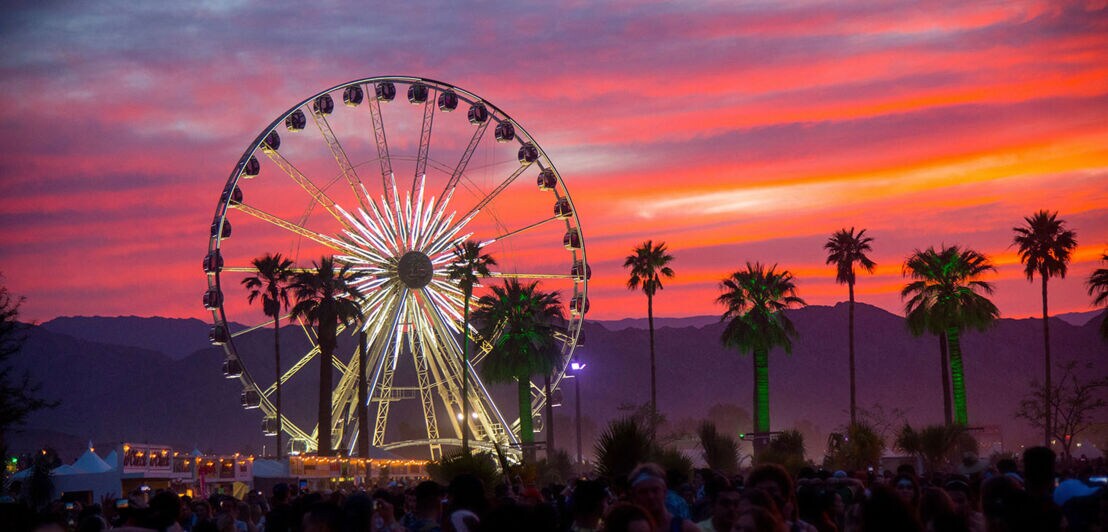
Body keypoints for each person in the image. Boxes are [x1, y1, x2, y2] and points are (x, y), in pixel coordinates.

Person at [627, 463, 698, 532]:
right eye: (643, 492)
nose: (650, 496)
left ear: (665, 491)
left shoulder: (686, 528)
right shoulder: (626, 528)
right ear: (634, 496)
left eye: (655, 490)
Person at [746, 465, 816, 532]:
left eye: (771, 491)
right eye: (760, 491)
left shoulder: (806, 529)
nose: (765, 496)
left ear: (784, 495)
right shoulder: (743, 527)